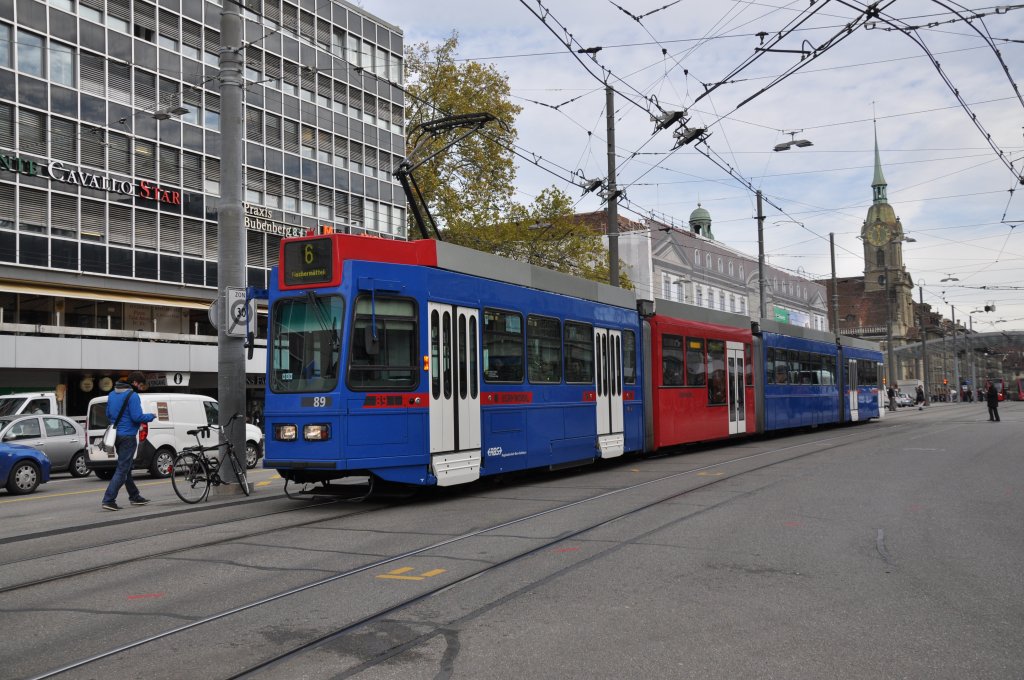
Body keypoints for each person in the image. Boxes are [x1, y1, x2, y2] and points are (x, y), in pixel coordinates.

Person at [101, 371, 156, 511]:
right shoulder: (133, 396)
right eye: (140, 384)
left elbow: (108, 414)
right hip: (128, 437)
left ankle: (134, 496)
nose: (140, 387)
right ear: (135, 382)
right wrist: (151, 416)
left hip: (116, 436)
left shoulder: (112, 394)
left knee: (126, 467)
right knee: (122, 469)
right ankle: (108, 500)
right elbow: (137, 417)